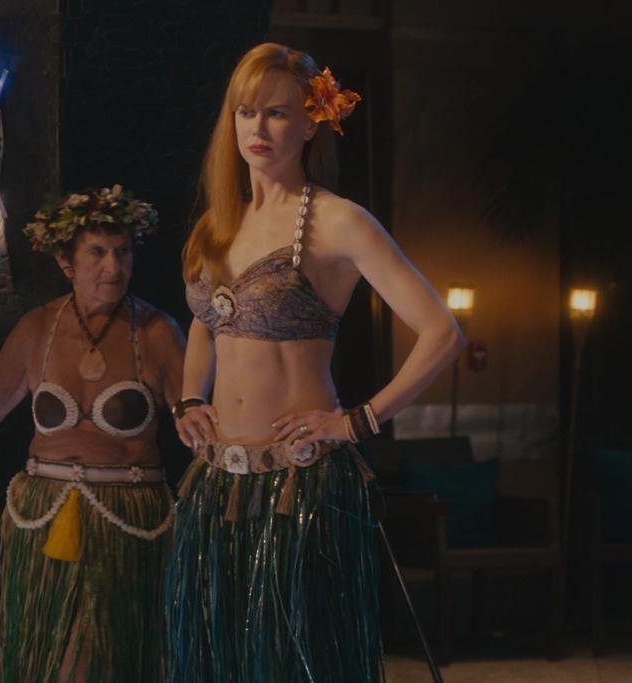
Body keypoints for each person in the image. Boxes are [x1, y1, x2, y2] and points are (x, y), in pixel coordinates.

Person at [167, 43, 465, 682]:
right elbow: (207, 320)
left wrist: (359, 421)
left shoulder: (338, 222)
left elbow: (442, 333)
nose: (258, 128)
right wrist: (191, 396)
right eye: (246, 112)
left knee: (295, 661)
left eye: (277, 113)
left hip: (300, 483)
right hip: (219, 482)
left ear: (310, 123)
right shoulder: (218, 224)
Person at [0, 186, 185, 682]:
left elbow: (196, 418)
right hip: (45, 511)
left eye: (123, 252)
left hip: (127, 515)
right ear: (66, 263)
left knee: (112, 660)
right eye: (97, 252)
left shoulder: (157, 331)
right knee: (54, 657)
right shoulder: (37, 329)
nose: (114, 267)